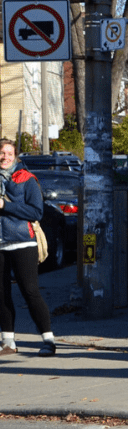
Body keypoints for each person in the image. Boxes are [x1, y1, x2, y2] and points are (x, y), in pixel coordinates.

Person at [0, 139, 56, 357]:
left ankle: (48, 340)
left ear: (15, 156)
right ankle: (8, 343)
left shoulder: (27, 179)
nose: (5, 157)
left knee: (30, 291)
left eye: (9, 153)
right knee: (2, 294)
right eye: (1, 153)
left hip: (23, 242)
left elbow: (36, 212)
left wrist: (5, 205)